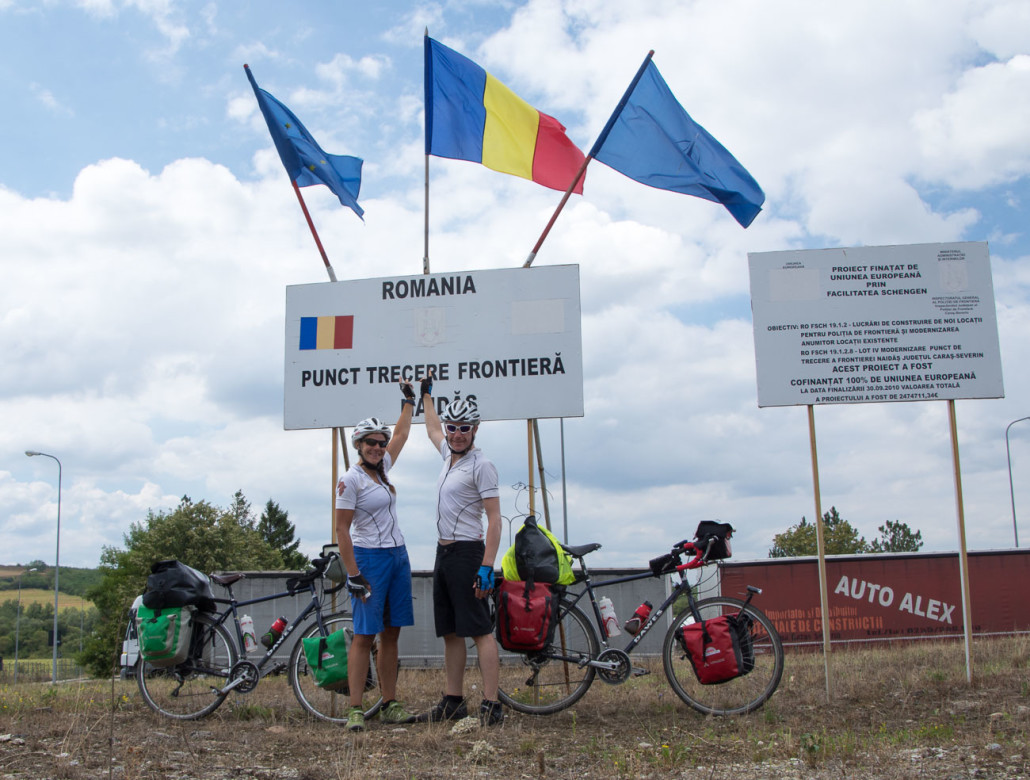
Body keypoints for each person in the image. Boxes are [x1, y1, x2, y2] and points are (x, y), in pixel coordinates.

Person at [415, 379, 504, 726]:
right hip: (444, 554)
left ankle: (491, 704)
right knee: (451, 631)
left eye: (464, 428)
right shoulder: (447, 456)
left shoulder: (482, 465)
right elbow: (432, 429)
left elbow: (495, 520)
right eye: (453, 428)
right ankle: (453, 701)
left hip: (469, 553)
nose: (456, 434)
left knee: (480, 630)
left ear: (476, 428)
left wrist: (486, 567)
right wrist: (426, 395)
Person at [334, 381, 419, 732]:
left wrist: (409, 402)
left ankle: (389, 702)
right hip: (369, 559)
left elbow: (400, 435)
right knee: (365, 635)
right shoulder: (349, 480)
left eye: (380, 443)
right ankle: (356, 708)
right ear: (358, 444)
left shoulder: (383, 469)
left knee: (392, 634)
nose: (377, 447)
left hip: (398, 555)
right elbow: (342, 530)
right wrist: (353, 573)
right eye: (370, 442)